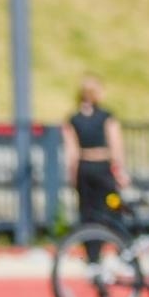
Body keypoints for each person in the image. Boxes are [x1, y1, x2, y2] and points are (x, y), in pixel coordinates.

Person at [62, 76, 130, 247]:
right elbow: (115, 146)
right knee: (114, 208)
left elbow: (72, 152)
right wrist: (120, 171)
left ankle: (93, 256)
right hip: (102, 166)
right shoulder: (106, 117)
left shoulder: (73, 119)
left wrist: (72, 176)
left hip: (84, 168)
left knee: (88, 213)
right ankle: (123, 249)